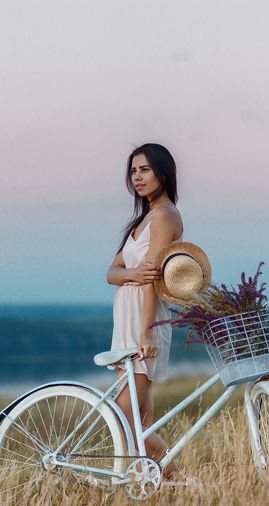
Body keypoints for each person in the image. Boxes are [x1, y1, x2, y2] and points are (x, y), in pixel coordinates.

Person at [106, 142, 183, 479]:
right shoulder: (145, 217)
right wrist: (129, 274)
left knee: (125, 415)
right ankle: (159, 484)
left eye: (145, 170)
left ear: (163, 173)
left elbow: (153, 278)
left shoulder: (166, 216)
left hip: (144, 321)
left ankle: (175, 478)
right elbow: (111, 272)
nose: (137, 177)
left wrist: (146, 331)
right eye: (133, 171)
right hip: (128, 319)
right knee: (139, 419)